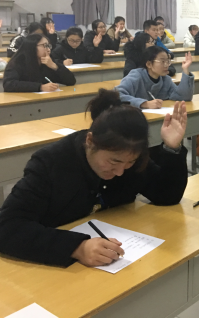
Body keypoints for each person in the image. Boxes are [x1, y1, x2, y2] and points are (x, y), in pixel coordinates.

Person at [0, 89, 189, 267]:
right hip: (52, 265)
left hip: (113, 259)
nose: (120, 172)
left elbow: (166, 195)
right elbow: (7, 227)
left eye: (129, 162)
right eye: (113, 162)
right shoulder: (51, 163)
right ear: (90, 141)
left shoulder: (129, 157)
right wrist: (77, 247)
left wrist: (171, 149)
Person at [117, 47, 194, 109]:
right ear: (149, 64)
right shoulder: (136, 76)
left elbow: (183, 96)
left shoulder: (165, 79)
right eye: (162, 61)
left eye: (168, 61)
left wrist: (185, 70)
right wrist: (144, 103)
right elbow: (117, 95)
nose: (167, 65)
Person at [3, 34, 76, 93]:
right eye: (44, 46)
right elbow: (9, 84)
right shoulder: (17, 62)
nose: (48, 49)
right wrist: (40, 87)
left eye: (48, 46)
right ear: (32, 47)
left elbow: (71, 81)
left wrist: (55, 66)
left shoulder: (48, 62)